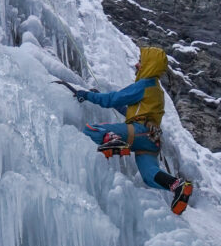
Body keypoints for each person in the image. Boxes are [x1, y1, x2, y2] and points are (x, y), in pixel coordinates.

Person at [73, 45, 193, 216]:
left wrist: (88, 95)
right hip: (152, 140)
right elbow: (132, 112)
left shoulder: (144, 85)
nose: (137, 65)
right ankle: (177, 185)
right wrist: (101, 97)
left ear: (149, 65)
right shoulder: (157, 91)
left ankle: (112, 139)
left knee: (92, 129)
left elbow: (113, 99)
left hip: (139, 132)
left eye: (140, 62)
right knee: (149, 175)